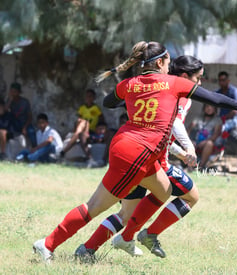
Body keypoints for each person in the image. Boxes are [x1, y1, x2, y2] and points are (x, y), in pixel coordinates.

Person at [32, 41, 237, 263]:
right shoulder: (175, 84)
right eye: (168, 62)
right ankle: (48, 244)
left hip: (133, 147)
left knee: (164, 189)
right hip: (136, 153)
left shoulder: (129, 84)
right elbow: (215, 99)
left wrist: (135, 99)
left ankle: (125, 237)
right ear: (162, 62)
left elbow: (109, 103)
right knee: (94, 207)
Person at [75, 55, 204, 261]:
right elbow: (165, 133)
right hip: (152, 162)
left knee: (126, 214)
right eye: (198, 78)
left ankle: (88, 249)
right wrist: (185, 150)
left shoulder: (158, 87)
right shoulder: (176, 95)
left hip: (132, 155)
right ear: (184, 76)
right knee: (191, 196)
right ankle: (145, 235)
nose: (200, 83)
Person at [60, 89, 105, 160]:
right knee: (81, 121)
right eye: (87, 96)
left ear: (93, 98)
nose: (88, 98)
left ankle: (63, 151)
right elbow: (78, 121)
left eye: (90, 96)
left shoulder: (96, 108)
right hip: (82, 130)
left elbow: (101, 120)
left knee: (84, 122)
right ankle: (75, 135)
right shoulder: (82, 108)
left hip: (90, 130)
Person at [188, 104, 223, 169]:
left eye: (211, 107)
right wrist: (188, 140)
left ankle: (200, 166)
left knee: (209, 144)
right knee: (189, 144)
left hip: (207, 142)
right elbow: (190, 128)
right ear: (204, 108)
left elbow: (216, 134)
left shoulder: (217, 120)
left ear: (215, 109)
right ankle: (189, 166)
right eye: (207, 106)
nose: (209, 108)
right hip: (195, 140)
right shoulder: (198, 117)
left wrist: (204, 142)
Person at [6, 82, 37, 147]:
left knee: (31, 132)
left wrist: (25, 127)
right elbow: (4, 111)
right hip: (15, 123)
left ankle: (35, 147)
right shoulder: (10, 100)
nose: (13, 93)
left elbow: (30, 117)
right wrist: (10, 100)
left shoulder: (25, 102)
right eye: (11, 91)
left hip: (24, 123)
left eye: (15, 92)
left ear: (19, 92)